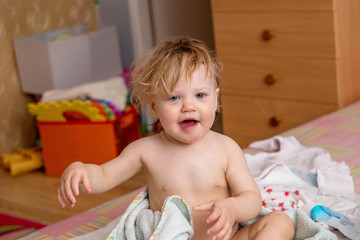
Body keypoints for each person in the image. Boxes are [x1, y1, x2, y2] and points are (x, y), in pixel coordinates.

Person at [58, 36, 295, 240]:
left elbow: (252, 199)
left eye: (200, 95)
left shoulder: (225, 148)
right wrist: (82, 171)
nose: (188, 106)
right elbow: (104, 176)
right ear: (153, 107)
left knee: (280, 223)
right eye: (174, 98)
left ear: (215, 98)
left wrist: (231, 207)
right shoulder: (145, 150)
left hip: (227, 237)